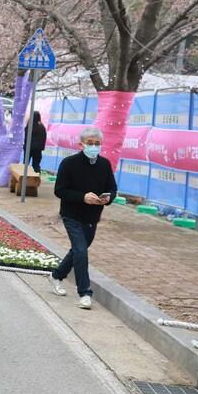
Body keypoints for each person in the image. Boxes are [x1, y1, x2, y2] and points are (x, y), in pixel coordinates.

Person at [49, 127, 116, 310]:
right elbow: (60, 190)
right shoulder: (69, 163)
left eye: (97, 143)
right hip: (71, 215)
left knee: (78, 251)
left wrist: (108, 197)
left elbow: (112, 187)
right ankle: (85, 293)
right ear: (81, 144)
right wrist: (82, 197)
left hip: (92, 217)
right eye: (90, 143)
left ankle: (56, 276)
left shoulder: (104, 164)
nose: (94, 146)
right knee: (81, 251)